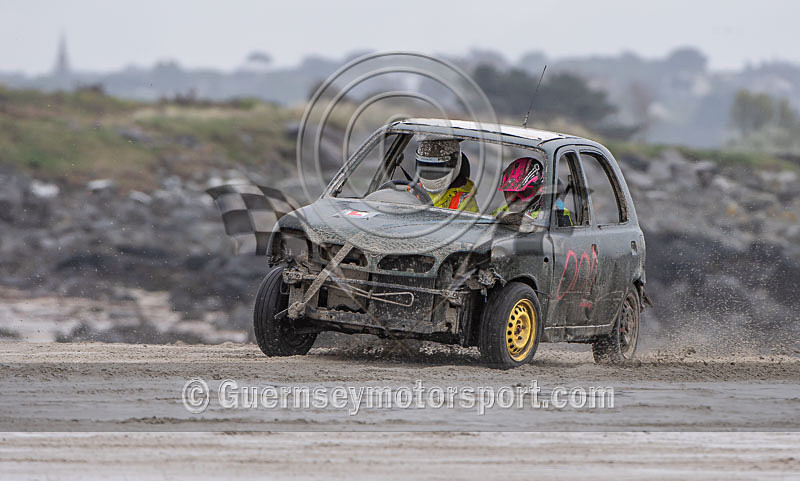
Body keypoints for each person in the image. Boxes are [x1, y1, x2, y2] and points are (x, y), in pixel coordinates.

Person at [492, 157, 573, 225]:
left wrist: (533, 223)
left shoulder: (557, 214)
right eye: (510, 194)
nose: (516, 200)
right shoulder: (500, 211)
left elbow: (562, 240)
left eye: (524, 193)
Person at [415, 139, 479, 212]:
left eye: (437, 167)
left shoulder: (465, 202)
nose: (430, 172)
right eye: (425, 166)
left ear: (455, 164)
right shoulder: (412, 190)